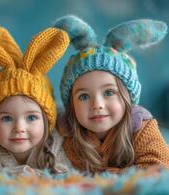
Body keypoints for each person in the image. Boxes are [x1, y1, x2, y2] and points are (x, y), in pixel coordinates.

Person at [54, 15, 169, 174]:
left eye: (109, 92)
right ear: (71, 105)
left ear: (128, 98)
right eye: (84, 96)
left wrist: (107, 174)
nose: (97, 105)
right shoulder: (66, 132)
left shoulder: (141, 127)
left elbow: (157, 167)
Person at [0, 22, 72, 176]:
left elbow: (65, 173)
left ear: (47, 121)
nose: (19, 128)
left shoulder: (54, 143)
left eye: (32, 117)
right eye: (7, 118)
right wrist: (15, 173)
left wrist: (40, 176)